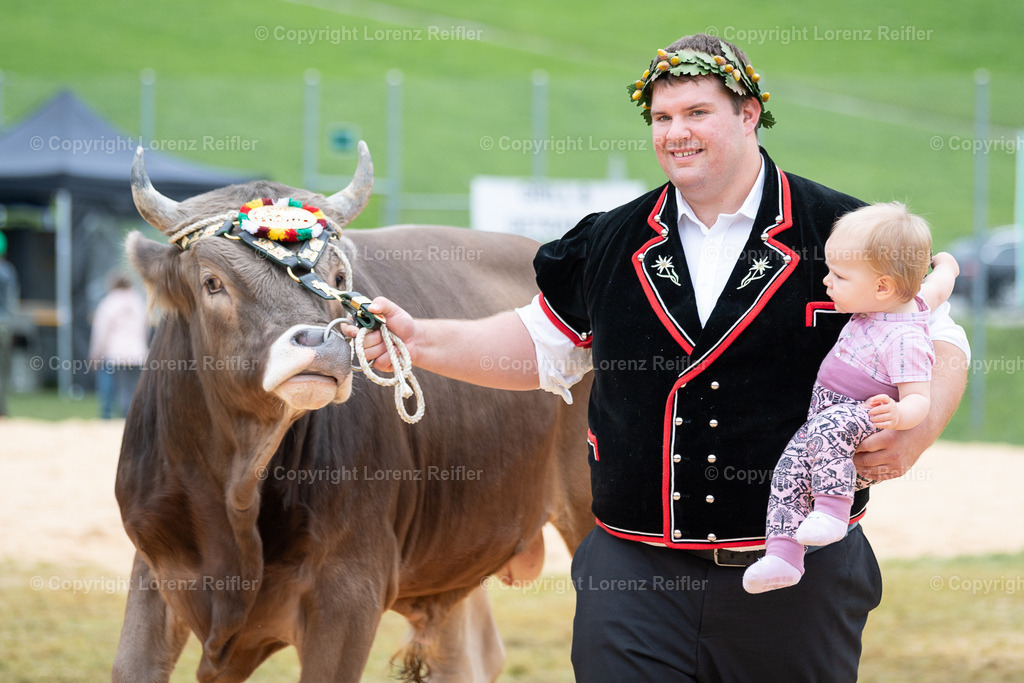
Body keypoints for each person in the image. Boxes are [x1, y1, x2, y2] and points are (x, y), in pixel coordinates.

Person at [344, 33, 970, 682]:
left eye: (697, 113)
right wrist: (418, 340)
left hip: (798, 581)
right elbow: (536, 343)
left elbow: (942, 335)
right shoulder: (611, 240)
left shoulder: (840, 229)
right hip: (632, 578)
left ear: (749, 113)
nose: (676, 133)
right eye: (662, 118)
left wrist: (917, 434)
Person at [742, 204, 959, 594]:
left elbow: (919, 401)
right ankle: (782, 557)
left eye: (839, 276)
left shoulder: (905, 337)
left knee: (827, 430)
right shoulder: (904, 301)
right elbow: (941, 284)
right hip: (826, 418)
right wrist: (947, 265)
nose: (827, 282)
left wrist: (897, 414)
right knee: (788, 472)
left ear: (882, 287)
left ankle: (831, 513)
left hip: (859, 418)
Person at [88, 274, 148, 418]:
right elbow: (145, 329)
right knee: (133, 388)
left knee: (108, 385)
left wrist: (95, 353)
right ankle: (130, 416)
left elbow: (101, 331)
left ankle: (106, 414)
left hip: (114, 352)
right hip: (137, 353)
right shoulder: (138, 302)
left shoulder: (109, 302)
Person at [0, 231, 19, 417]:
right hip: (3, 324)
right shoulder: (7, 271)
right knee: (3, 369)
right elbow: (12, 300)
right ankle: (2, 411)